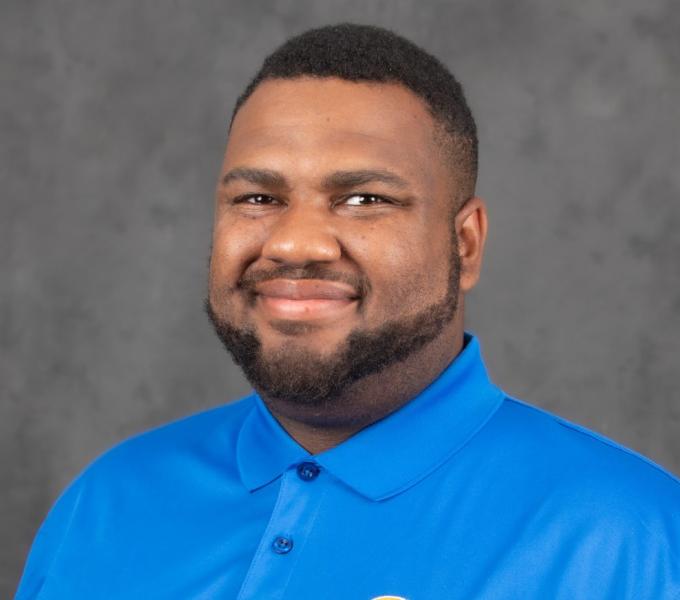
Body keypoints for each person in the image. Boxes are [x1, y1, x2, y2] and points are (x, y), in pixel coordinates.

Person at [16, 23, 680, 600]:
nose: (294, 242)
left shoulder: (635, 539)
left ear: (466, 243)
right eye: (257, 198)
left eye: (364, 199)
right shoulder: (107, 502)